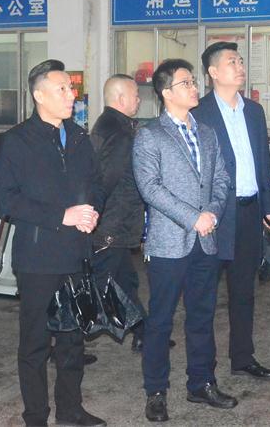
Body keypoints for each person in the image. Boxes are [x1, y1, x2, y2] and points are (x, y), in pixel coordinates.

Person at [0, 59, 106, 427]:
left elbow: (96, 183)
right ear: (39, 95)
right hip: (38, 259)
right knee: (36, 344)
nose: (71, 95)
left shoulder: (78, 137)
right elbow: (7, 201)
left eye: (71, 88)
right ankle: (36, 416)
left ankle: (70, 410)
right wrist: (62, 215)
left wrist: (91, 211)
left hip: (77, 253)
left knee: (73, 340)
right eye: (62, 89)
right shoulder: (18, 140)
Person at [133, 59, 233, 423]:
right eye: (186, 83)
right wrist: (194, 217)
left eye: (193, 81)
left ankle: (202, 383)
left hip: (205, 240)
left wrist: (213, 214)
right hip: (169, 243)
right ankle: (156, 392)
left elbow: (222, 179)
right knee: (160, 321)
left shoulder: (207, 132)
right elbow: (150, 188)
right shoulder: (150, 135)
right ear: (166, 93)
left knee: (202, 317)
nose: (195, 88)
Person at [191, 42, 270, 380]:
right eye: (232, 62)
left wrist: (269, 208)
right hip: (214, 216)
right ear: (213, 72)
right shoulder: (198, 112)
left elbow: (262, 161)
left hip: (248, 212)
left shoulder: (254, 111)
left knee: (244, 291)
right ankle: (203, 371)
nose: (240, 66)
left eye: (241, 60)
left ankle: (243, 357)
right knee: (204, 296)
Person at [90, 74, 171, 353]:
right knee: (100, 285)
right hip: (113, 223)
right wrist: (97, 219)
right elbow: (106, 180)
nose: (138, 100)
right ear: (121, 98)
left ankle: (143, 333)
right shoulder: (120, 134)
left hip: (115, 223)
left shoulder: (109, 125)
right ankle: (67, 342)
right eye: (135, 95)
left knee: (125, 280)